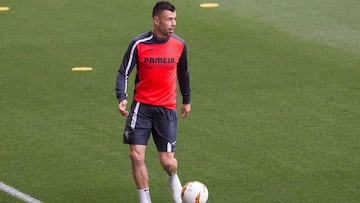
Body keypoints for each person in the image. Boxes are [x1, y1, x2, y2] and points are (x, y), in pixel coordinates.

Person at [115, 1, 191, 203]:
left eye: (175, 19)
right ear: (157, 20)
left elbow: (183, 72)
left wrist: (187, 99)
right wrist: (122, 97)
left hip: (166, 109)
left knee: (168, 162)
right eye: (169, 19)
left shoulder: (179, 45)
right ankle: (145, 200)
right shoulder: (139, 44)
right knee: (136, 156)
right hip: (142, 108)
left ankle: (173, 177)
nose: (173, 23)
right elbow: (124, 71)